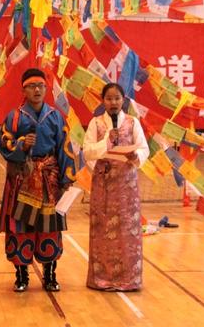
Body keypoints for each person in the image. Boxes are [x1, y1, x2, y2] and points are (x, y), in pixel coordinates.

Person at [0, 68, 76, 292]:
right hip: (22, 177)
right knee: (20, 226)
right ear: (23, 90)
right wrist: (21, 144)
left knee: (49, 226)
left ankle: (50, 274)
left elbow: (65, 147)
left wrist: (66, 178)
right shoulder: (14, 117)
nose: (37, 90)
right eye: (31, 86)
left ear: (46, 88)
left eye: (41, 86)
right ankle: (21, 275)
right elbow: (4, 142)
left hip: (49, 179)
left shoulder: (55, 117)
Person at [82, 83, 150, 291]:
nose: (113, 102)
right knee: (102, 229)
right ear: (103, 101)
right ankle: (102, 278)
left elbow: (144, 148)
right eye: (109, 98)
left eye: (117, 98)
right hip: (103, 183)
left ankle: (129, 278)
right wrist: (106, 142)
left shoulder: (132, 122)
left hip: (126, 185)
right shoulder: (96, 123)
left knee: (127, 230)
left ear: (123, 100)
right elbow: (87, 151)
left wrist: (135, 156)